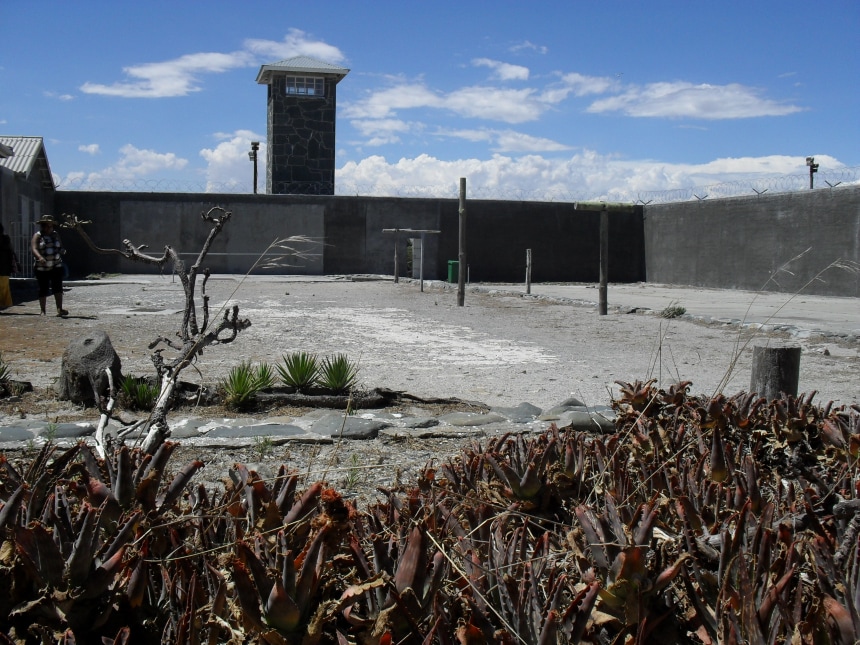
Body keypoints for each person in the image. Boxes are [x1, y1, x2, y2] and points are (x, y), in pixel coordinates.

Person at [31, 214, 68, 316]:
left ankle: (59, 309)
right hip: (42, 267)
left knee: (58, 287)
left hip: (56, 265)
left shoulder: (56, 234)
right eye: (46, 226)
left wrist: (62, 250)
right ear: (42, 226)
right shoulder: (37, 235)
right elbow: (34, 248)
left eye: (50, 226)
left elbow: (60, 246)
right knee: (43, 287)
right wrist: (40, 257)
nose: (49, 228)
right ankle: (43, 310)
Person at [0, 222, 20, 312]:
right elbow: (11, 251)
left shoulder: (5, 238)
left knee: (4, 285)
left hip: (4, 265)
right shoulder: (5, 238)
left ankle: (2, 303)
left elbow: (11, 250)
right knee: (4, 285)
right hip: (4, 265)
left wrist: (16, 262)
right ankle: (3, 303)